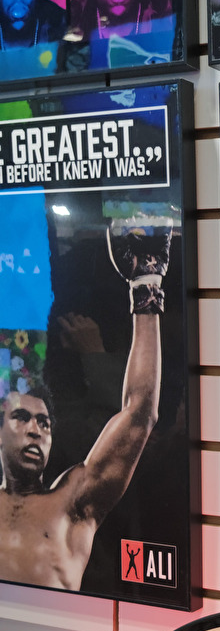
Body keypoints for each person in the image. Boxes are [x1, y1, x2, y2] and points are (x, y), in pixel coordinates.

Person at [0, 225, 171, 592]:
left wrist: (146, 287)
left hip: (64, 625)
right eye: (22, 418)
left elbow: (139, 413)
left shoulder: (70, 505)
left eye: (44, 423)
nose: (36, 430)